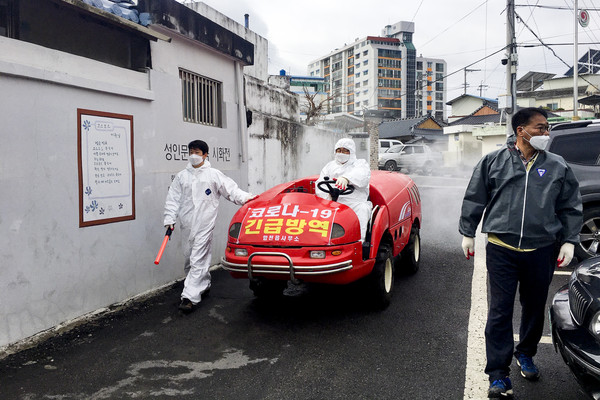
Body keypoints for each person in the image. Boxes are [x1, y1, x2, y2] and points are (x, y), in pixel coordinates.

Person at [459, 107, 582, 398]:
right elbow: (475, 197)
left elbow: (570, 205)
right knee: (500, 311)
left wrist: (569, 240)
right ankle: (498, 374)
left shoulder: (557, 165)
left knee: (534, 306)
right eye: (540, 128)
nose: (546, 133)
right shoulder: (493, 161)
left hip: (540, 250)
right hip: (502, 249)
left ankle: (525, 353)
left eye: (547, 127)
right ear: (521, 131)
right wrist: (467, 232)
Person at [164, 140, 256, 313]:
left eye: (197, 152)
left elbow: (232, 190)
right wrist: (169, 218)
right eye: (191, 151)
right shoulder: (182, 176)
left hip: (205, 224)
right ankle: (203, 283)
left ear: (206, 155)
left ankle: (189, 297)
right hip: (187, 225)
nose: (194, 155)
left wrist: (248, 198)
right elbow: (173, 199)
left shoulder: (213, 175)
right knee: (189, 258)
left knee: (197, 258)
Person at [316, 138, 372, 241]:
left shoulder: (360, 164)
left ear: (351, 152)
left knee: (363, 209)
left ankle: (359, 241)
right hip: (331, 202)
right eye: (339, 150)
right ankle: (319, 241)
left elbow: (362, 175)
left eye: (345, 150)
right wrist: (327, 196)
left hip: (354, 203)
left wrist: (347, 179)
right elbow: (320, 183)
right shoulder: (329, 166)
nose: (341, 153)